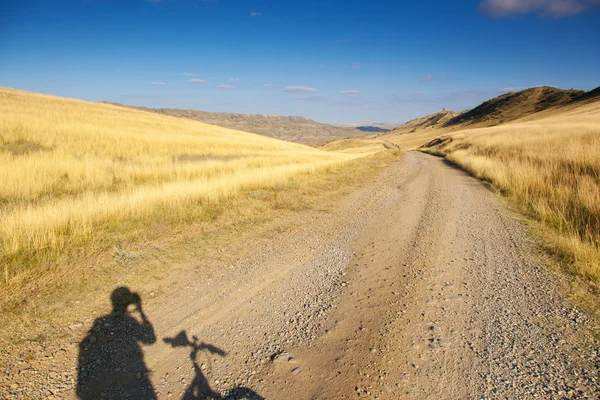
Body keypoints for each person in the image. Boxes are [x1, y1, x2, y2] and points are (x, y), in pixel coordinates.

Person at [77, 287, 156, 399]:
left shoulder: (100, 321)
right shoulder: (131, 321)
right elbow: (150, 340)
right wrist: (141, 311)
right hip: (130, 371)